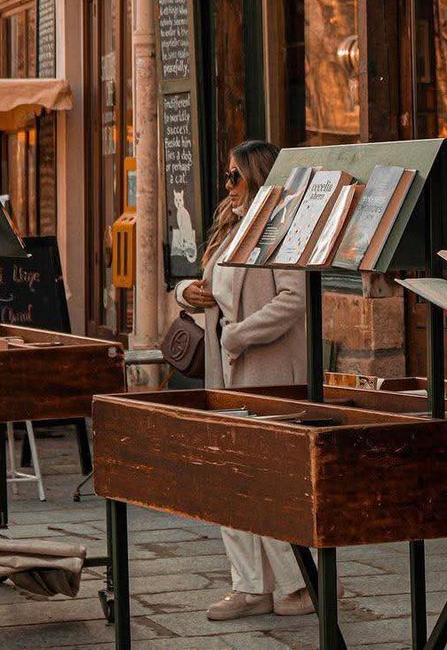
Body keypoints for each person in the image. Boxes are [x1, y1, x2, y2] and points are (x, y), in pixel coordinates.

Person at [175, 140, 311, 622]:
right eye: (226, 175)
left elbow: (293, 300)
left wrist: (238, 337)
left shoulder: (282, 226)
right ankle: (249, 585)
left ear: (258, 175)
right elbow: (209, 285)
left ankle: (295, 586)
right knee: (231, 478)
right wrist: (184, 292)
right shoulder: (231, 226)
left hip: (266, 373)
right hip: (225, 372)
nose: (227, 184)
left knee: (267, 480)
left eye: (234, 176)